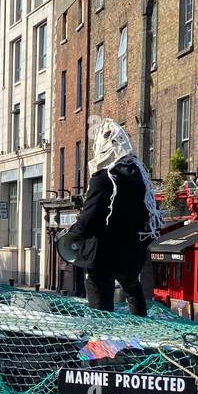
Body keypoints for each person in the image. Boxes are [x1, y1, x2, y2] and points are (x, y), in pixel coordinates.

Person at [64, 119, 168, 317]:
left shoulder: (103, 178)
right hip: (130, 253)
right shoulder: (140, 178)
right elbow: (150, 216)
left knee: (100, 308)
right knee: (133, 290)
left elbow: (89, 217)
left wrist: (72, 236)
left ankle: (102, 344)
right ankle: (138, 338)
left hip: (102, 255)